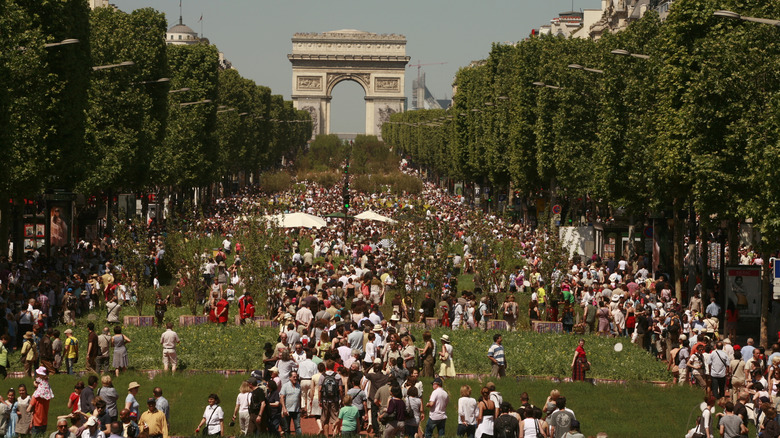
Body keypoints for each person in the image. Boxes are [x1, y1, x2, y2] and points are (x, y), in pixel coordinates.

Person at [319, 360, 343, 438]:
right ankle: (335, 434)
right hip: (334, 400)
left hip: (325, 400)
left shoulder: (322, 376)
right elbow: (340, 389)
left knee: (325, 419)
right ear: (333, 366)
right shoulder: (337, 376)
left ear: (326, 367)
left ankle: (326, 436)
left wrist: (320, 400)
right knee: (335, 418)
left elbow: (320, 389)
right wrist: (341, 399)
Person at [280, 371, 302, 435]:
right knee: (286, 428)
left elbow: (299, 397)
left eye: (296, 377)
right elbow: (282, 397)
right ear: (290, 378)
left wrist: (300, 407)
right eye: (293, 377)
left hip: (296, 410)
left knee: (298, 427)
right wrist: (284, 408)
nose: (295, 378)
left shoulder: (299, 386)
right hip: (287, 410)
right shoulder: (285, 386)